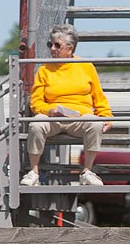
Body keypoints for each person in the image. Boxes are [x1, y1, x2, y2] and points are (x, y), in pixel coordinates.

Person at [20, 24, 112, 187]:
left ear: (70, 48)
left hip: (79, 118)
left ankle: (87, 172)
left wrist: (106, 117)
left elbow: (99, 97)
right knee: (36, 124)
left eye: (57, 45)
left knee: (95, 123)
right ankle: (33, 172)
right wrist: (50, 110)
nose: (52, 49)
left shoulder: (86, 66)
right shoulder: (44, 69)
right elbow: (36, 102)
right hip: (52, 118)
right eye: (50, 44)